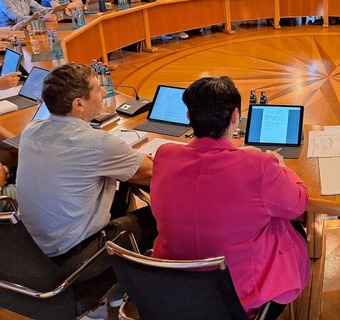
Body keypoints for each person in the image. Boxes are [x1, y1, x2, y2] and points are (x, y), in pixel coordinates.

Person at [151, 76, 310, 319]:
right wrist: (281, 166)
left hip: (174, 286)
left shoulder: (164, 154)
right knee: (287, 225)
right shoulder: (260, 165)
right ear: (235, 116)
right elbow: (298, 203)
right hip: (237, 294)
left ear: (188, 118)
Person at [16, 64, 156, 319]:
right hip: (74, 256)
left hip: (32, 249)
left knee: (118, 189)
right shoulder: (97, 144)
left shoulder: (32, 130)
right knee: (155, 215)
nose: (103, 93)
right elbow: (152, 172)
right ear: (79, 104)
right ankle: (117, 291)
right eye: (98, 88)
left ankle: (111, 295)